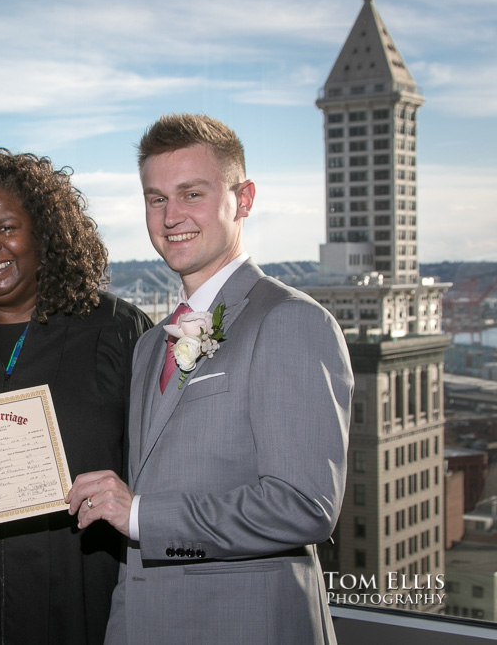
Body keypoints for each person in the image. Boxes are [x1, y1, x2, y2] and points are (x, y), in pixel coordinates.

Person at [67, 114, 353, 644]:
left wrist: (143, 517)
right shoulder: (153, 343)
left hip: (247, 626)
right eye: (156, 199)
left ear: (242, 199)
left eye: (191, 193)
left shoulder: (291, 320)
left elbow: (304, 507)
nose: (171, 216)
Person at [0, 148, 152, 645]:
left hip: (83, 594)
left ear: (45, 234)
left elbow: (154, 467)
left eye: (6, 228)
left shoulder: (115, 331)